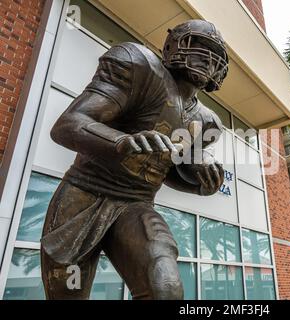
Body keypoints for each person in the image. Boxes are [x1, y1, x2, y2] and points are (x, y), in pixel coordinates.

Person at [40, 20, 229, 300]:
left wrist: (201, 182)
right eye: (200, 46)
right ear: (171, 46)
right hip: (83, 193)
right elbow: (68, 125)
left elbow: (164, 171)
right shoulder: (139, 66)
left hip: (135, 204)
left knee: (164, 287)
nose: (207, 59)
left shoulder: (207, 121)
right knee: (68, 294)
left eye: (214, 54)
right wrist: (120, 141)